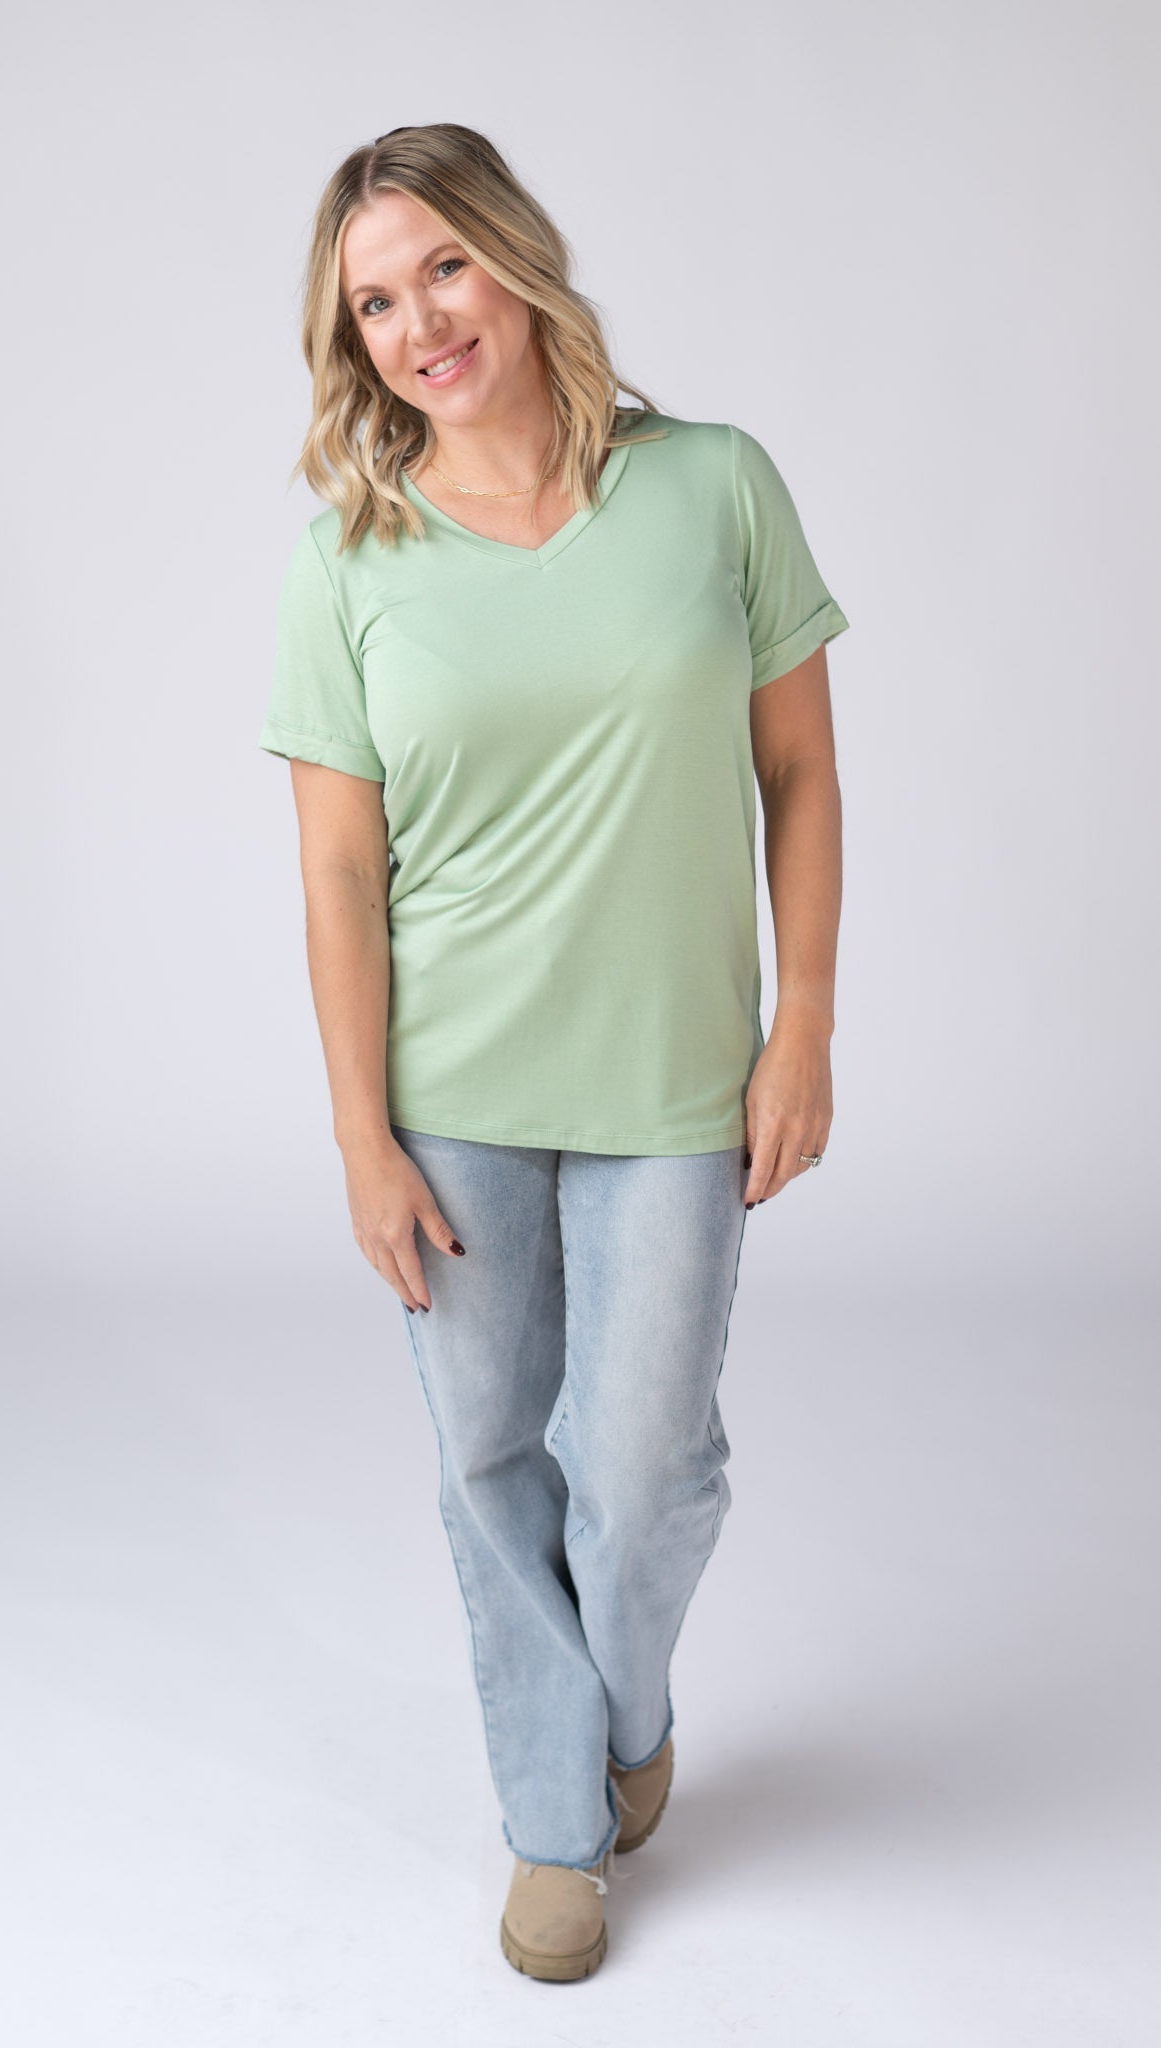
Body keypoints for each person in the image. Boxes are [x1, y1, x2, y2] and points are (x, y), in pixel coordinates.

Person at [257, 122, 850, 1982]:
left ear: (514, 256)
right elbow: (337, 876)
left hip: (675, 1081)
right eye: (373, 302)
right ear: (350, 342)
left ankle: (622, 1709)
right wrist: (359, 1135)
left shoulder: (713, 486)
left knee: (648, 1469)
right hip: (451, 1101)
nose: (419, 322)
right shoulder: (346, 565)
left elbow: (798, 771)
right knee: (489, 1461)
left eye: (441, 266)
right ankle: (551, 1825)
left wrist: (803, 1025)